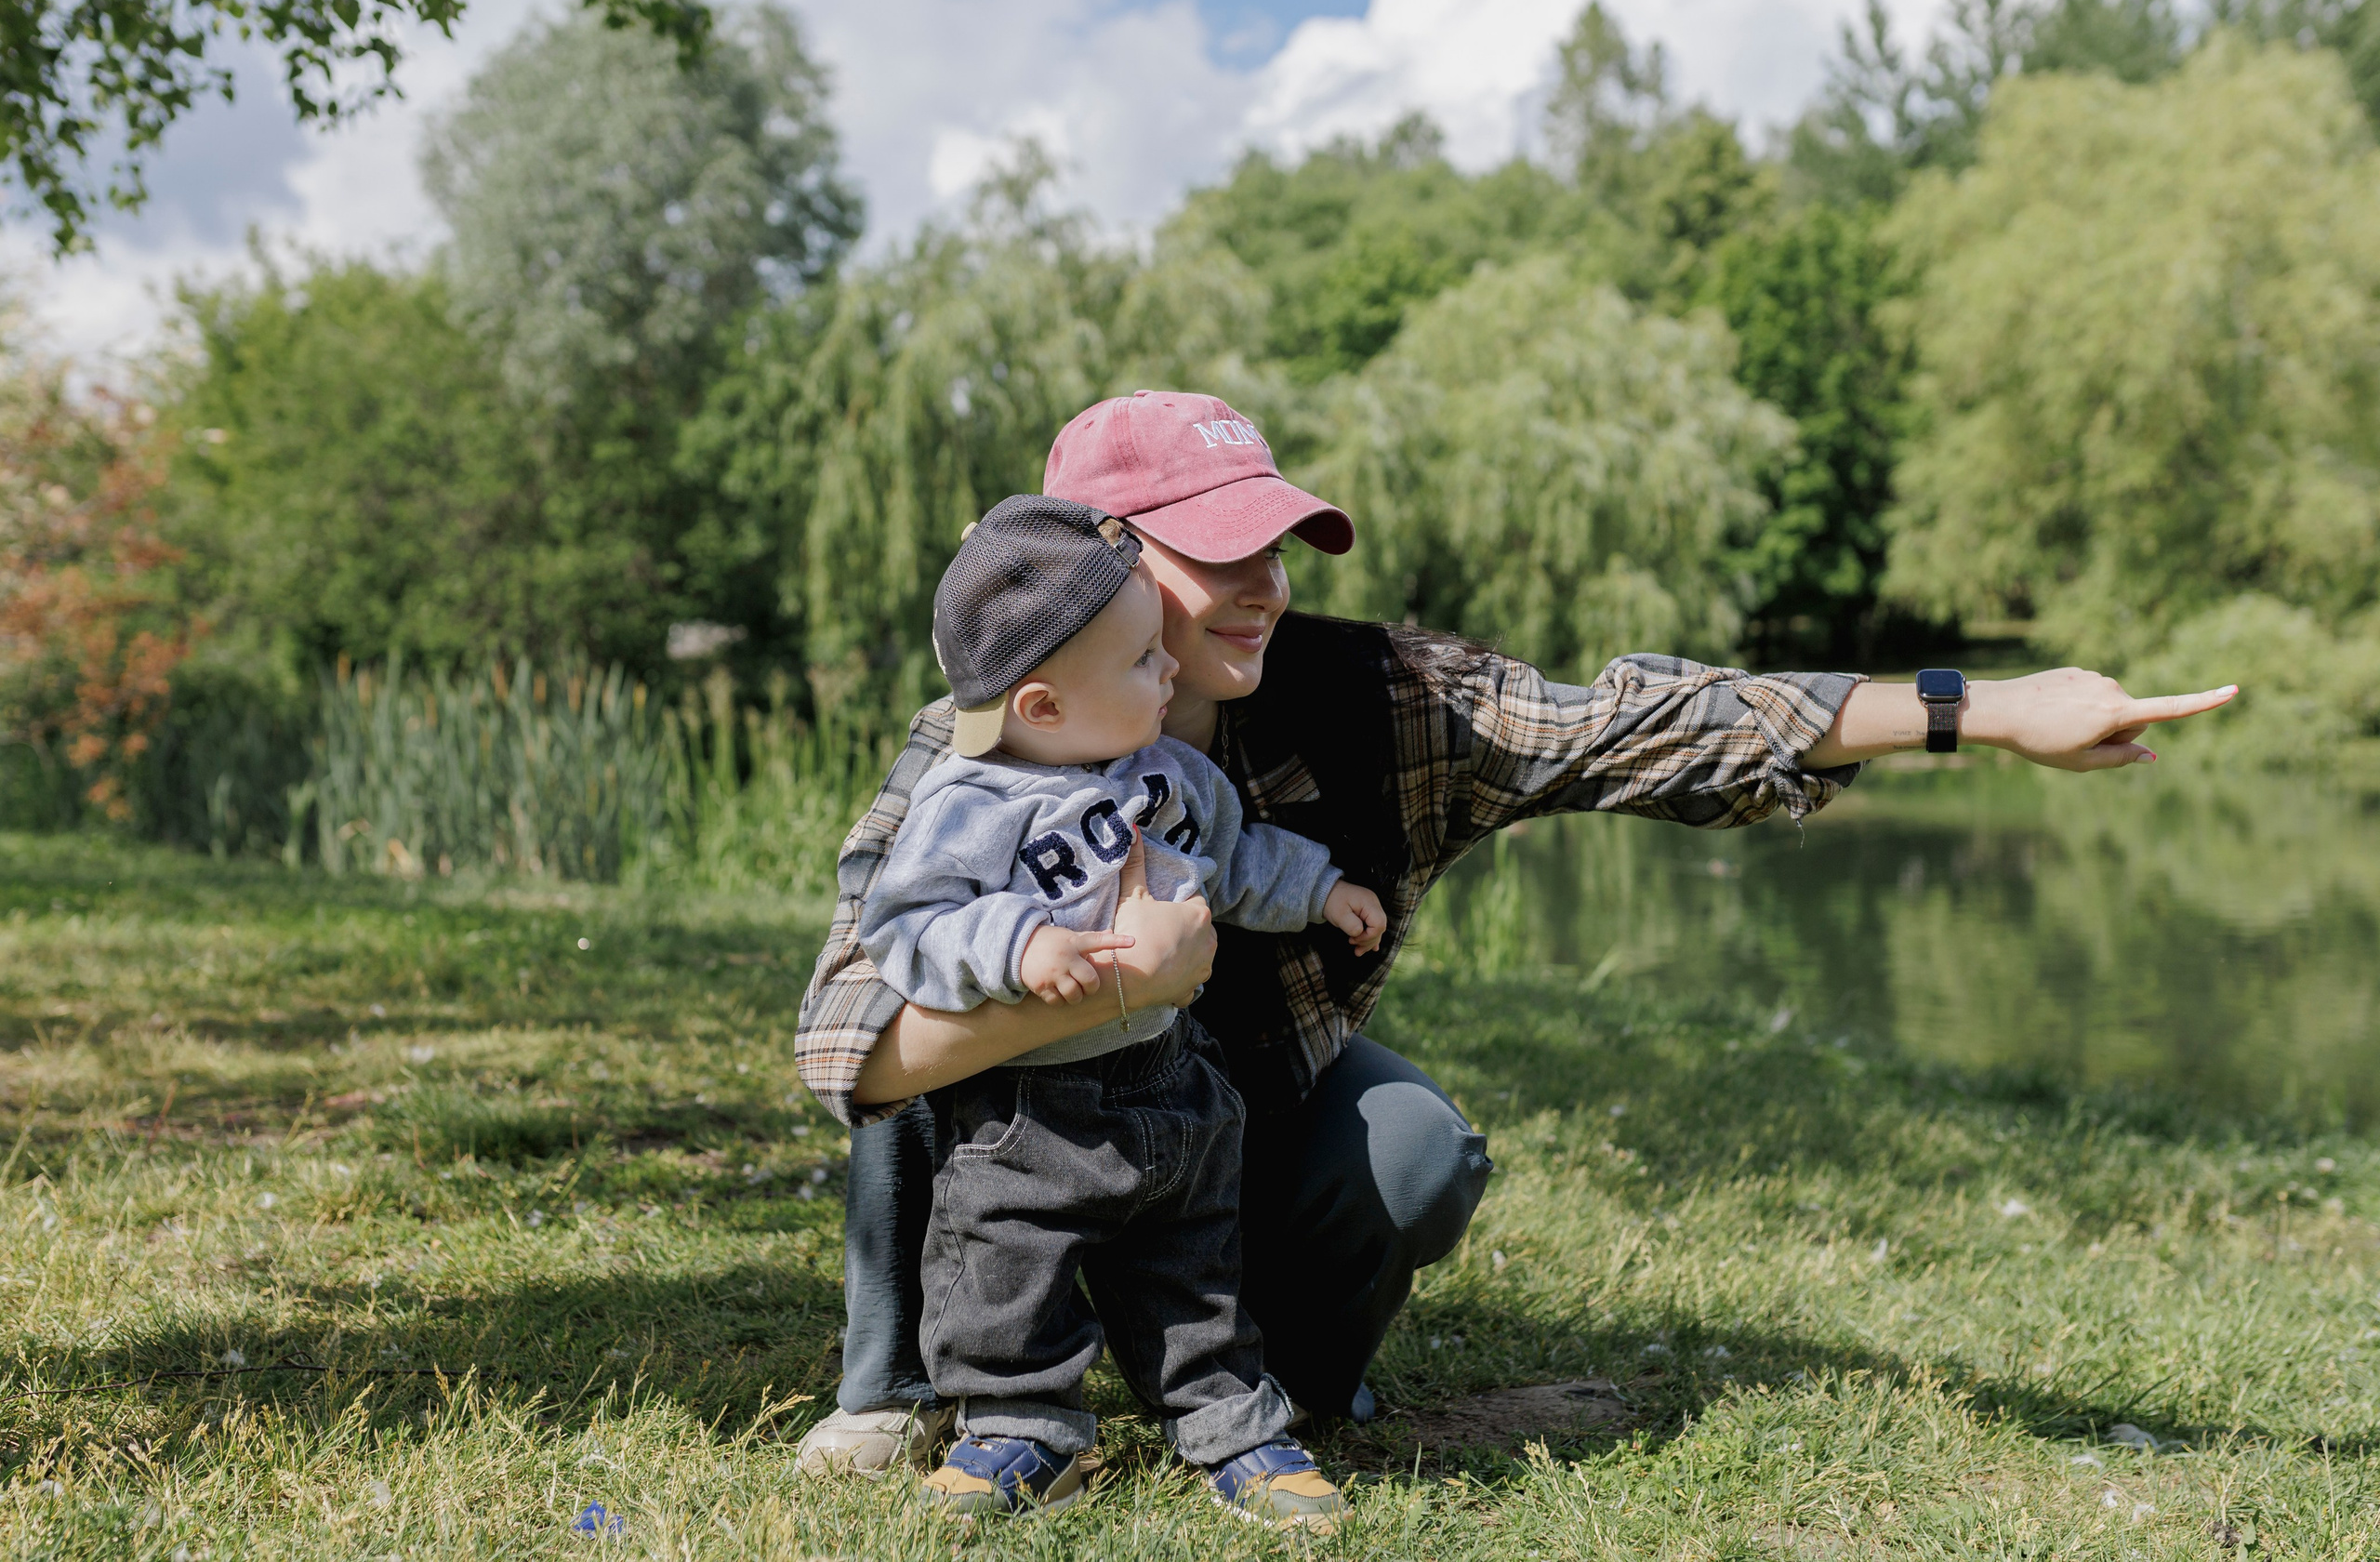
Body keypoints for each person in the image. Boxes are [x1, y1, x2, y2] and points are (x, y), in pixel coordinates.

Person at [792, 390, 2237, 1479]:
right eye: (1214, 554)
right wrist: (1115, 973)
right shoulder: (982, 750)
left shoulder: (1388, 704)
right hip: (1026, 1140)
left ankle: (1255, 1392)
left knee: (1414, 1147)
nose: (1265, 586)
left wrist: (1977, 708)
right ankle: (919, 1387)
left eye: (1278, 549)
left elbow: (1651, 722)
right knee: (918, 1077)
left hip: (1222, 1126)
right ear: (1088, 568)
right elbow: (846, 1040)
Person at [857, 493, 1383, 1527]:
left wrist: (1320, 888)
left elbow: (1232, 863)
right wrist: (1021, 944)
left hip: (1172, 1073)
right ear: (1044, 705)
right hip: (1027, 1102)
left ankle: (1231, 1422)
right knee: (1008, 1262)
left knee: (1193, 1263)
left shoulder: (1168, 775)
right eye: (1145, 660)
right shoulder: (968, 804)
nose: (1171, 672)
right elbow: (907, 925)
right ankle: (1022, 1425)